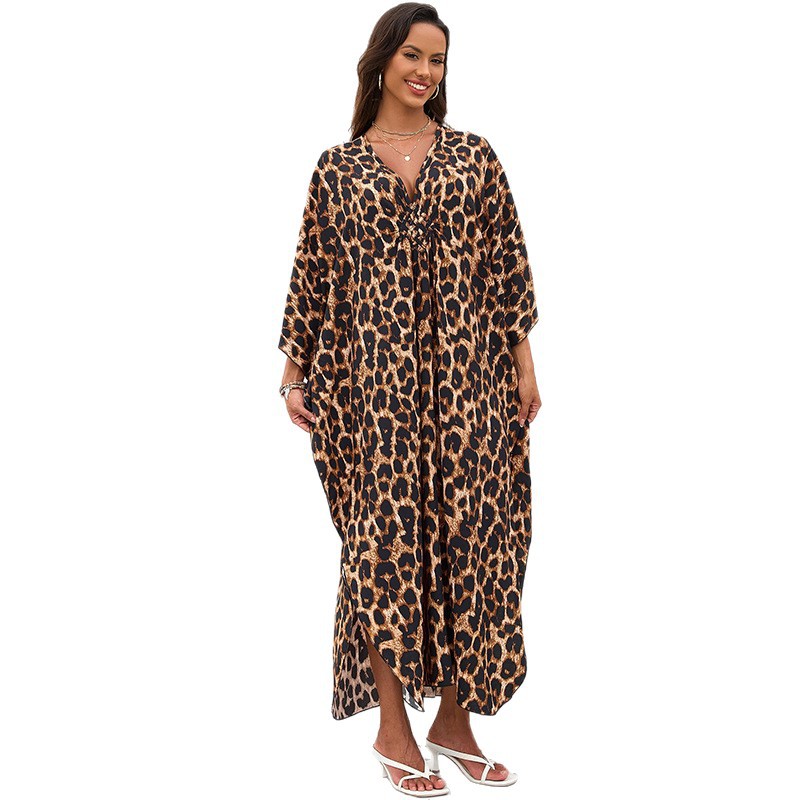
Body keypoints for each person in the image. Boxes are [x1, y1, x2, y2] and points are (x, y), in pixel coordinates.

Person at [278, 4, 541, 795]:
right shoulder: (337, 168)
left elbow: (506, 265)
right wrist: (293, 372)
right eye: (413, 56)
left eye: (438, 60)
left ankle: (454, 722)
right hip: (374, 394)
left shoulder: (473, 157)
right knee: (382, 548)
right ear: (382, 60)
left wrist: (524, 365)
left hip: (471, 386)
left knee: (477, 543)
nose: (425, 72)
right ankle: (392, 729)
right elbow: (313, 276)